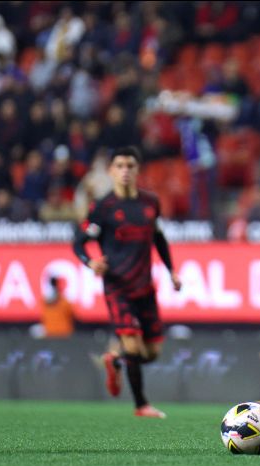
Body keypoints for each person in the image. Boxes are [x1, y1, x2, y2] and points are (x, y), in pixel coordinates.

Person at [72, 146, 182, 418]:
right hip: (118, 287)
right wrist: (91, 262)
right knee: (133, 345)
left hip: (145, 287)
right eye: (119, 165)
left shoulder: (150, 203)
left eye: (130, 165)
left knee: (152, 352)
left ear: (137, 170)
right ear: (111, 171)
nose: (124, 171)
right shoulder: (103, 207)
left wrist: (171, 271)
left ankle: (115, 359)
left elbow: (159, 239)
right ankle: (141, 405)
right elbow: (79, 243)